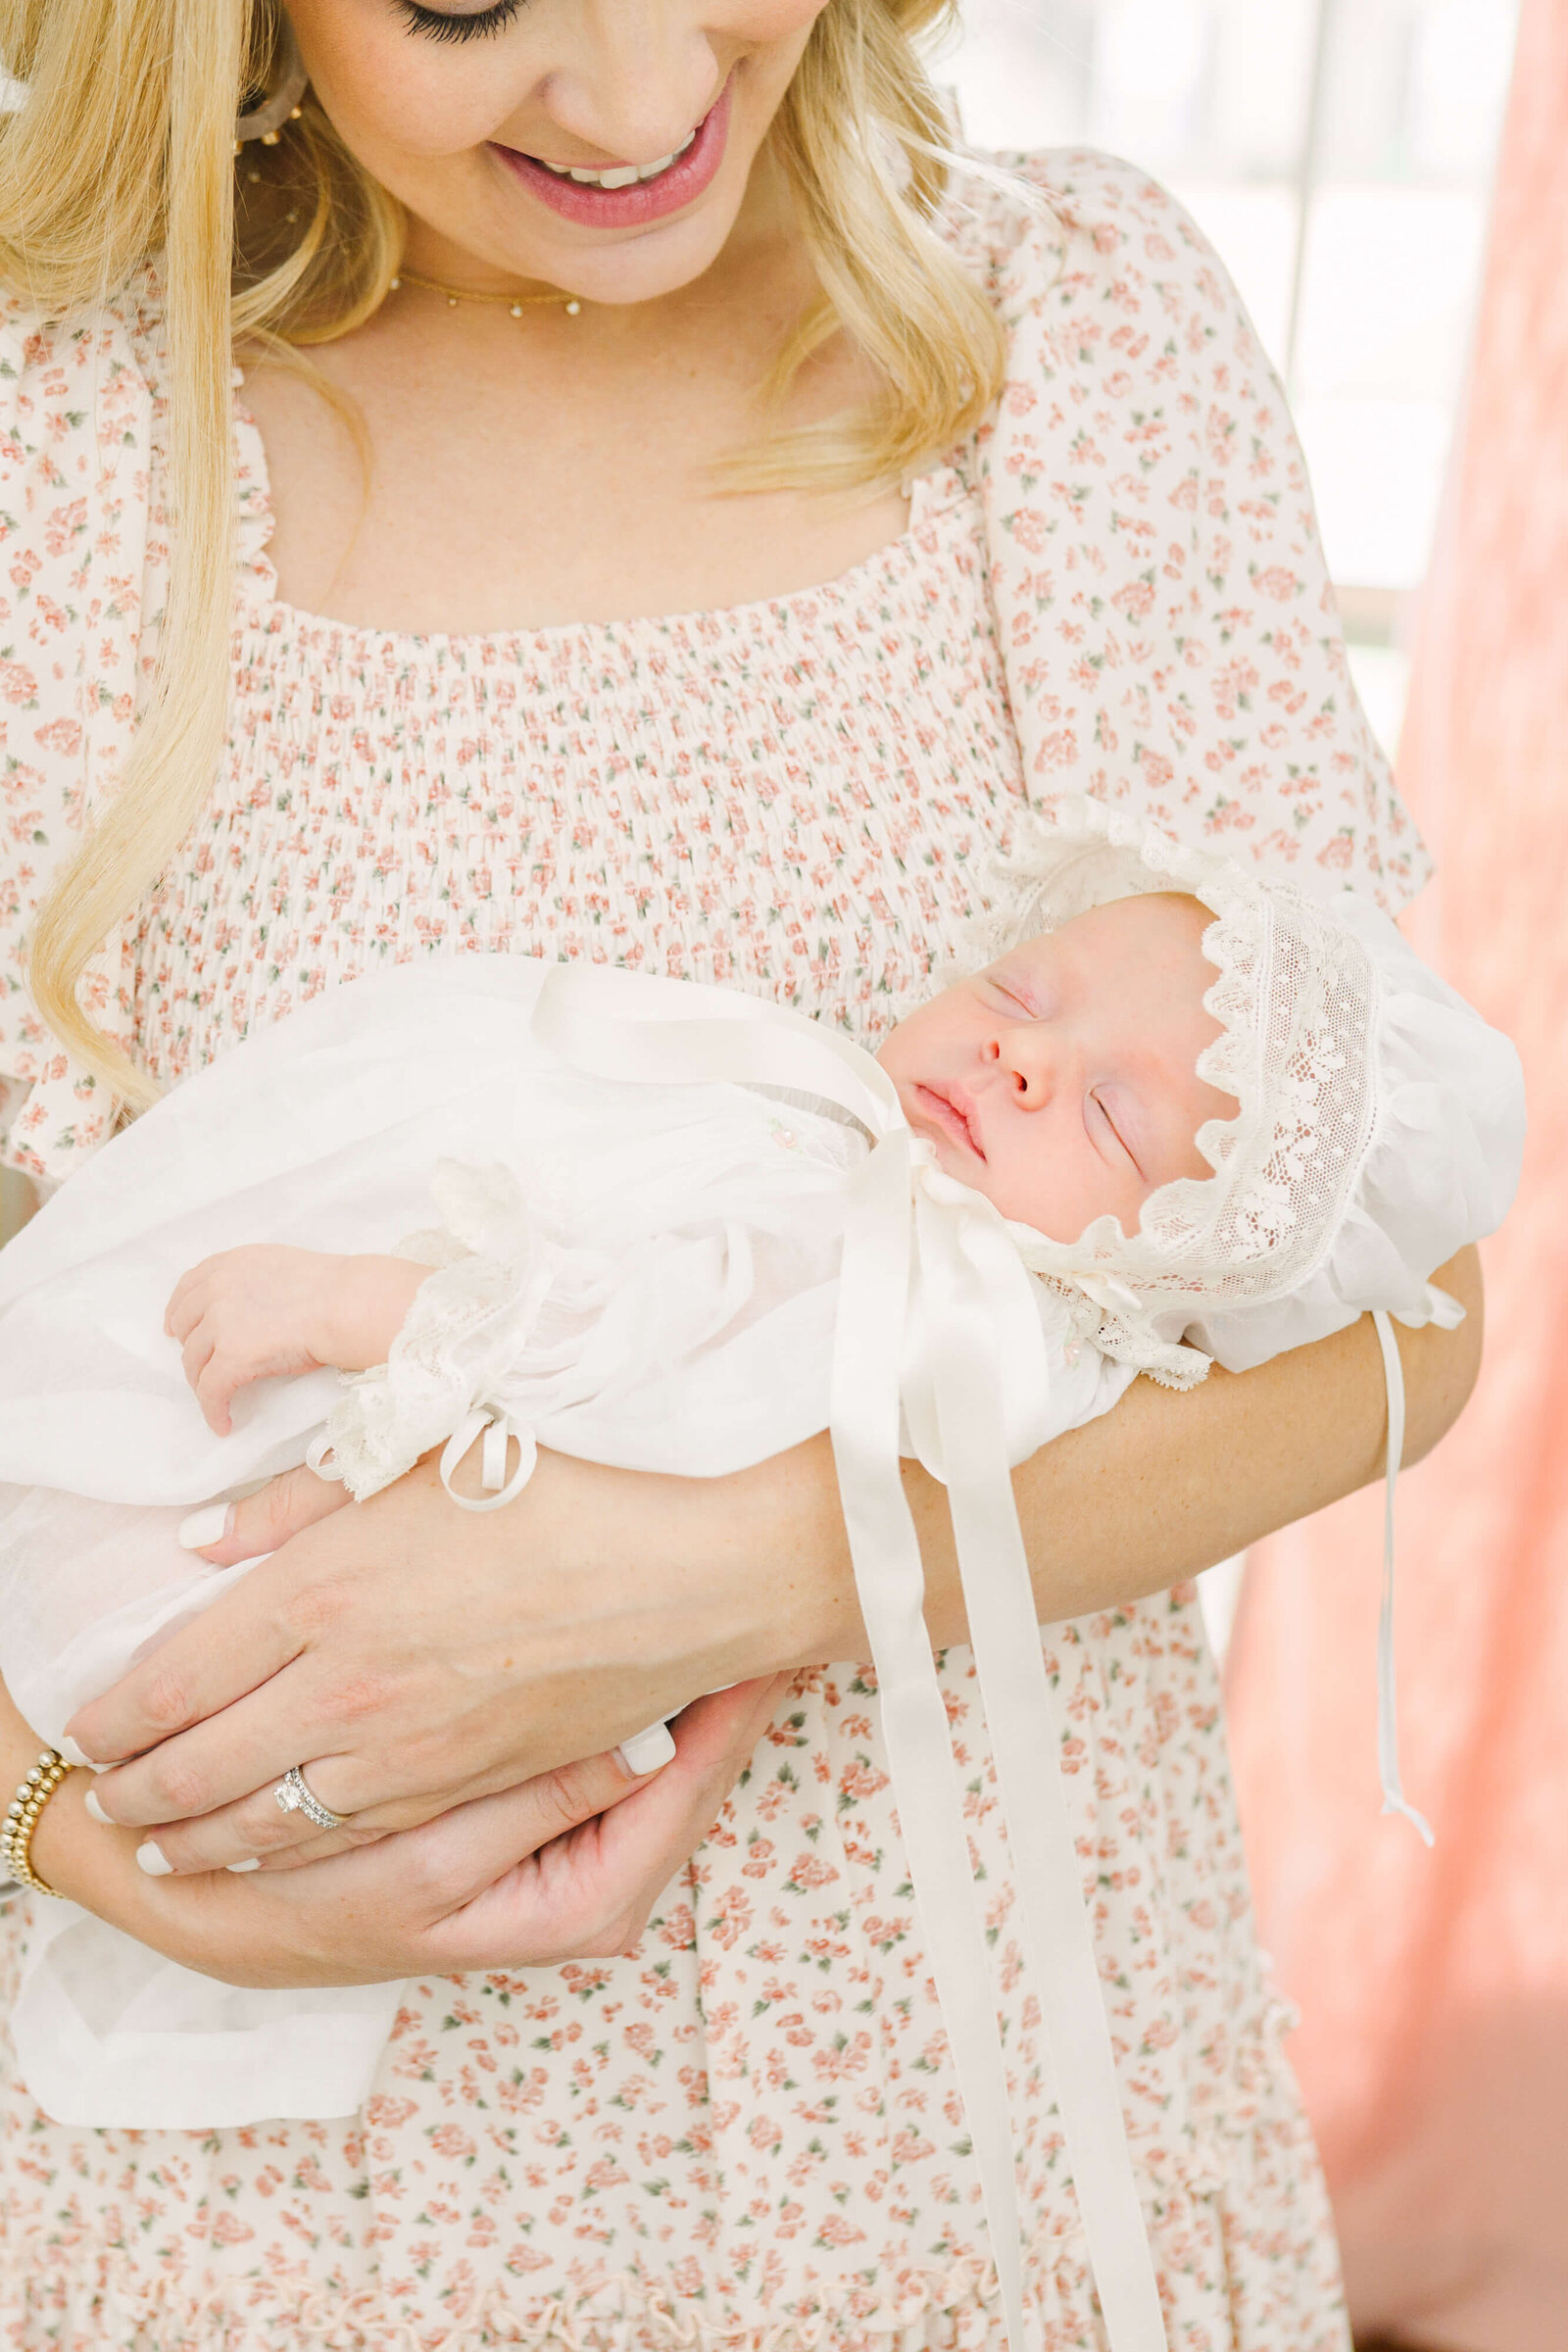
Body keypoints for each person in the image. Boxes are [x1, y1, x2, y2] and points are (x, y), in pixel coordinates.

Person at [0, 1, 1481, 2345]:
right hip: (304, 2213)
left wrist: (704, 1570)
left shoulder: (1064, 339)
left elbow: (1397, 1327)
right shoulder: (66, 441)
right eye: (466, 3)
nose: (633, 92)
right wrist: (58, 1830)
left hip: (975, 2126)